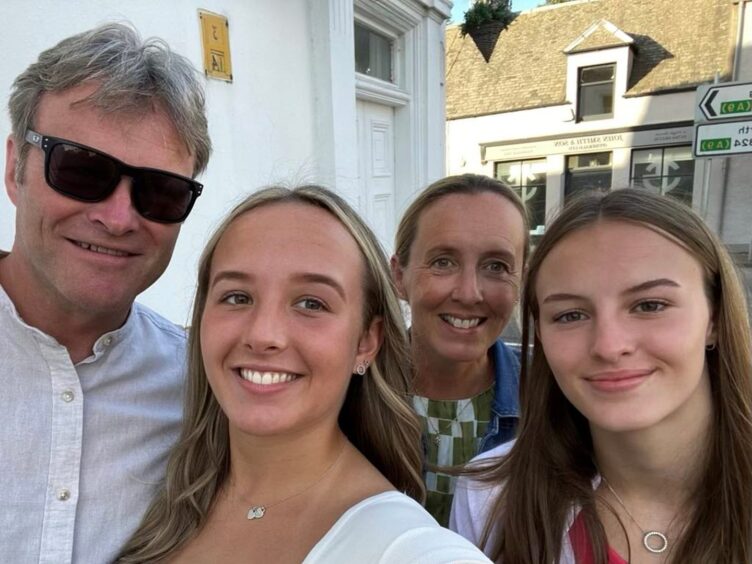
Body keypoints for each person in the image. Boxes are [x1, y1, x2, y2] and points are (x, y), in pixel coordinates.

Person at [117, 185, 491, 563]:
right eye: (237, 297)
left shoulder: (411, 550)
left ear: (366, 341)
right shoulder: (156, 487)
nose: (263, 335)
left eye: (311, 303)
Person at [0, 23, 211, 564]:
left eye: (160, 191)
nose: (119, 218)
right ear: (13, 168)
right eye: (80, 169)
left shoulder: (202, 390)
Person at [450, 189, 752, 563]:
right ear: (540, 334)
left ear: (715, 318)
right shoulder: (489, 498)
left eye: (649, 305)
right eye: (570, 315)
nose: (609, 346)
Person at [390, 173, 529, 526]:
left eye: (497, 266)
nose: (469, 293)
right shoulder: (347, 395)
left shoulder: (552, 397)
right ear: (399, 276)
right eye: (443, 262)